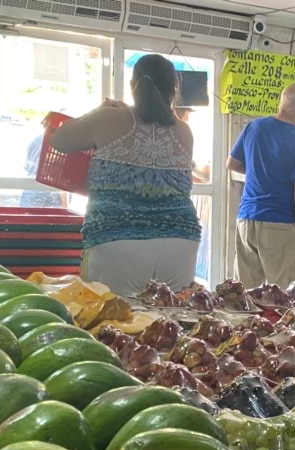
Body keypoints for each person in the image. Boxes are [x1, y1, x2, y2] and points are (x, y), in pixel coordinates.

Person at [49, 54, 201, 297]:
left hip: (116, 238)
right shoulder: (184, 131)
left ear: (133, 86)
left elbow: (59, 139)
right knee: (171, 324)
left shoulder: (110, 118)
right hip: (180, 239)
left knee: (109, 324)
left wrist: (99, 110)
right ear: (174, 90)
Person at [227, 82, 295, 289]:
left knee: (244, 295)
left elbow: (232, 164)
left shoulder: (254, 127)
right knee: (287, 297)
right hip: (280, 225)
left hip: (246, 220)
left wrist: (260, 174)